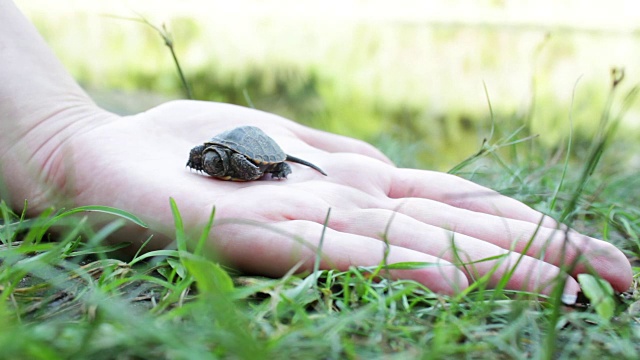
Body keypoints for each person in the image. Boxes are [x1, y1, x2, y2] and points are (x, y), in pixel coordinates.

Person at [0, 0, 632, 301]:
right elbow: (204, 158)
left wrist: (60, 134)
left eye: (217, 163)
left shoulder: (246, 163)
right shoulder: (210, 158)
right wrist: (59, 143)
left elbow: (251, 163)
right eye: (213, 163)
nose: (211, 168)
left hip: (262, 156)